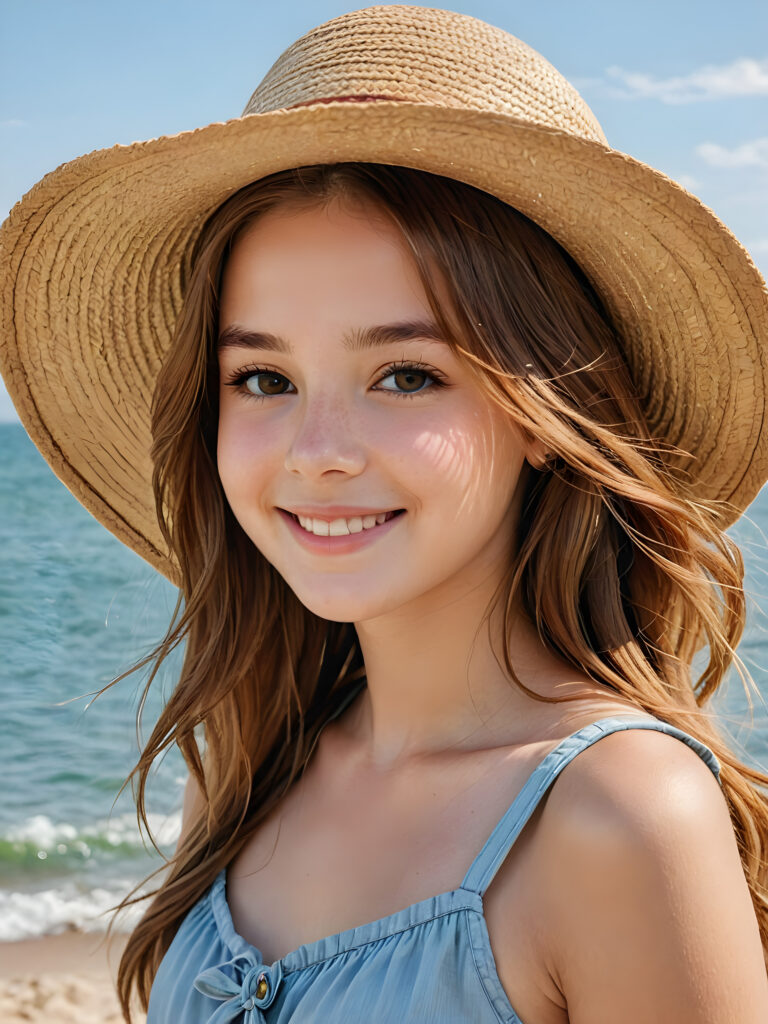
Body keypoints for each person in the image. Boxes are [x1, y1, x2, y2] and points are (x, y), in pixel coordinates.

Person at [1, 5, 768, 1022]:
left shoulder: (619, 816)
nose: (316, 453)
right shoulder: (243, 762)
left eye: (405, 374)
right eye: (264, 378)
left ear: (547, 411)